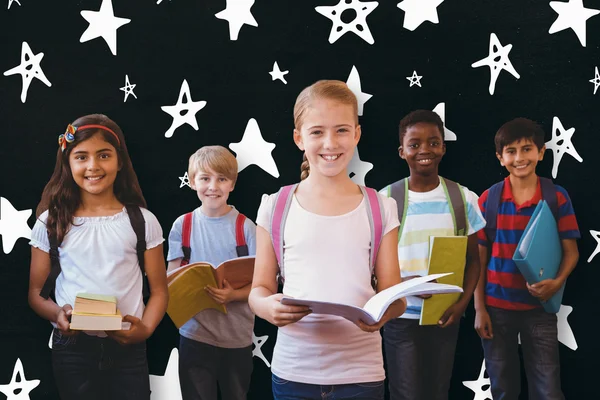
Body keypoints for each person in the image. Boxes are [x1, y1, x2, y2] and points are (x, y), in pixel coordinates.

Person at [249, 80, 406, 400]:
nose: (330, 142)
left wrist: (382, 313)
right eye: (317, 131)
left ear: (357, 134)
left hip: (361, 374)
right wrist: (267, 307)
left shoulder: (381, 207)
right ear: (299, 138)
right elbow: (258, 291)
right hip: (294, 373)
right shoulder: (275, 206)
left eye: (342, 130)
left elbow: (396, 297)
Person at [28, 114, 168, 400]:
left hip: (129, 346)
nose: (93, 166)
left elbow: (159, 291)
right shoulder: (50, 222)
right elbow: (35, 293)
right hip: (73, 350)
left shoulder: (142, 221)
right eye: (81, 157)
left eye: (104, 155)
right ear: (68, 164)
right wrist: (57, 314)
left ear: (119, 161)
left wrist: (146, 329)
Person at [381, 110, 486, 400]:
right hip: (400, 316)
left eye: (433, 142)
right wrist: (406, 284)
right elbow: (372, 265)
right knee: (406, 393)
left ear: (443, 147)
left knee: (437, 391)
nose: (424, 150)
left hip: (445, 316)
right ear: (402, 152)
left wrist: (461, 304)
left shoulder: (463, 199)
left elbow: (473, 260)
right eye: (414, 144)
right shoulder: (386, 200)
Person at [474, 118, 580, 400]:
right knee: (502, 388)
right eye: (511, 151)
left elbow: (572, 252)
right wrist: (479, 309)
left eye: (527, 149)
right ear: (500, 158)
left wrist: (556, 283)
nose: (519, 158)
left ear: (541, 152)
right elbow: (478, 259)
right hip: (496, 310)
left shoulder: (556, 197)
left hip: (540, 310)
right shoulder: (489, 199)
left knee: (547, 389)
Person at [166, 145, 257, 400]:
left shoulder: (246, 228)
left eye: (222, 179)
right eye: (205, 178)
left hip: (237, 339)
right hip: (194, 336)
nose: (213, 186)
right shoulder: (182, 225)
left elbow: (264, 284)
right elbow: (171, 278)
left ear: (232, 185)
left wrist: (233, 295)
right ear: (193, 182)